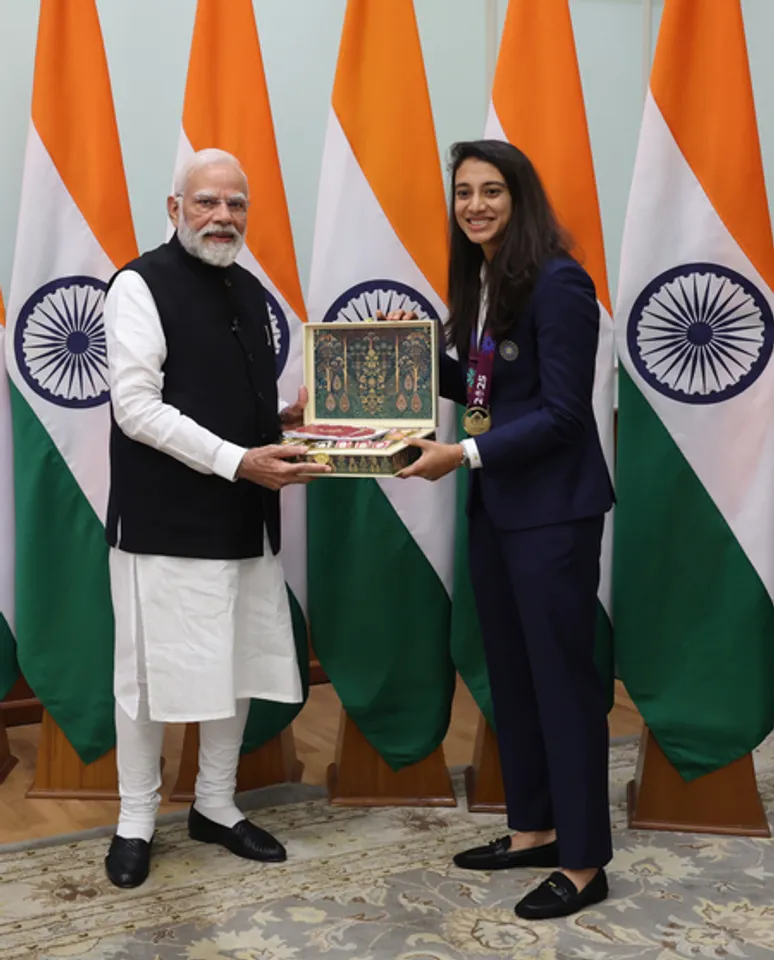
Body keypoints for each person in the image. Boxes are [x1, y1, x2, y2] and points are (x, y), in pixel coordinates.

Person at [389, 140, 614, 920]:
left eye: (491, 191)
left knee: (563, 685)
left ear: (521, 198)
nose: (475, 205)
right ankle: (533, 831)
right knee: (514, 682)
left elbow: (561, 414)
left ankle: (585, 863)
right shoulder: (487, 281)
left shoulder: (558, 282)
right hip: (497, 508)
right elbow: (488, 391)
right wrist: (408, 351)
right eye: (463, 193)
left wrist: (463, 451)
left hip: (552, 515)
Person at [102, 148, 329, 889]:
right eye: (206, 202)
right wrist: (240, 460)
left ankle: (215, 806)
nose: (222, 217)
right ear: (175, 209)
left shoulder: (249, 290)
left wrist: (290, 418)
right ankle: (135, 820)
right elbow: (136, 410)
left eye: (235, 204)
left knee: (233, 668)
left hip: (245, 520)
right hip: (165, 526)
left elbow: (235, 401)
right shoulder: (139, 285)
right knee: (147, 681)